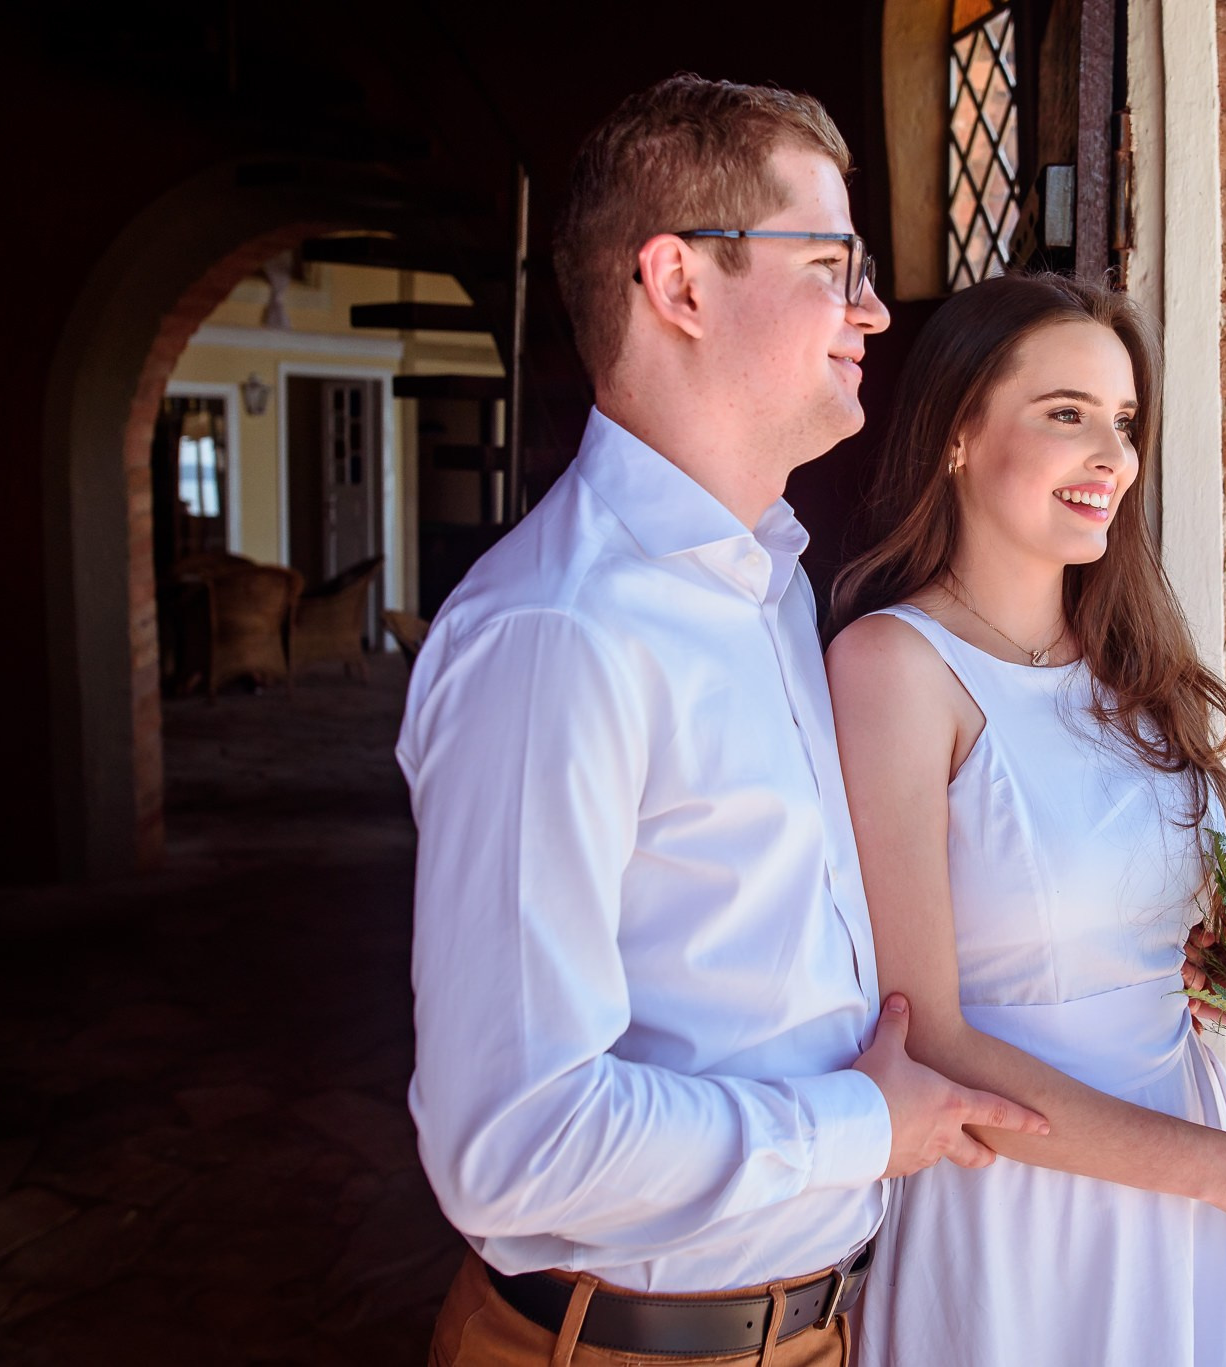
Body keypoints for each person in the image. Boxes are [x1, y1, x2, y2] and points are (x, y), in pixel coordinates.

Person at [397, 75, 1047, 1367]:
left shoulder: (770, 583)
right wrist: (865, 1126)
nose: (872, 308)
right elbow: (511, 1142)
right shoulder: (558, 634)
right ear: (681, 284)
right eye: (835, 263)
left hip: (814, 1326)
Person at [825, 273, 1226, 1365]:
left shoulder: (1133, 673)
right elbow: (924, 1034)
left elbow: (1164, 941)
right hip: (1016, 1211)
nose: (1111, 457)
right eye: (1066, 413)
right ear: (955, 433)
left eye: (1121, 423)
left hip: (1182, 1184)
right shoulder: (893, 668)